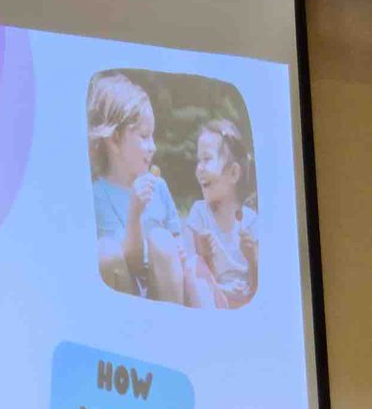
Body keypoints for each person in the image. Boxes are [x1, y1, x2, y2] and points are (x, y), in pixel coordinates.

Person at [87, 72, 196, 304]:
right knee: (106, 251)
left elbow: (176, 239)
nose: (153, 147)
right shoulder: (97, 195)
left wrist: (179, 249)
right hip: (127, 295)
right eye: (144, 136)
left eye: (153, 137)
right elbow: (131, 263)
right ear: (115, 140)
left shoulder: (159, 187)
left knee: (161, 238)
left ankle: (173, 324)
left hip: (164, 292)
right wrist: (135, 212)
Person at [186, 119, 259, 308]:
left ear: (234, 173)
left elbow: (260, 286)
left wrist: (252, 258)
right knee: (194, 263)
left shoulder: (251, 222)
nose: (198, 168)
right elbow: (194, 279)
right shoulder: (199, 214)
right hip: (214, 301)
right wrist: (205, 255)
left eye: (207, 159)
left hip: (245, 305)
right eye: (198, 160)